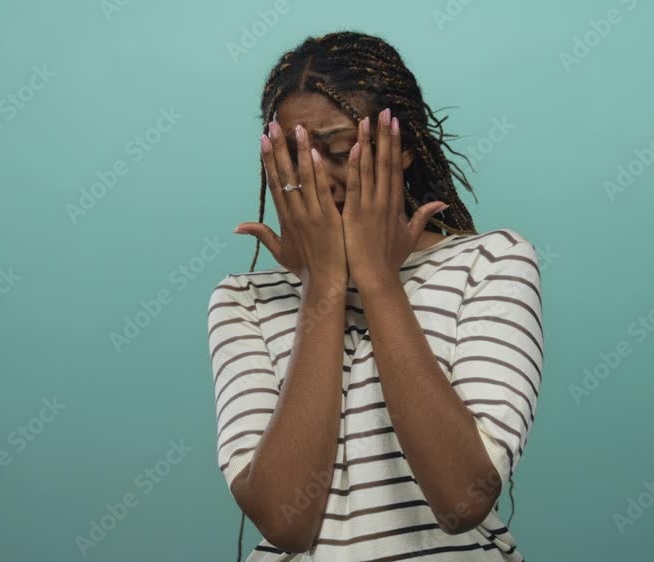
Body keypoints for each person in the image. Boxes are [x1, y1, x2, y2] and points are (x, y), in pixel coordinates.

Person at [208, 30, 544, 561]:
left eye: (339, 151)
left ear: (403, 147)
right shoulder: (244, 301)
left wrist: (379, 278)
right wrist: (322, 284)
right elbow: (286, 523)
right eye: (295, 157)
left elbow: (462, 498)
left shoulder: (491, 262)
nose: (317, 178)